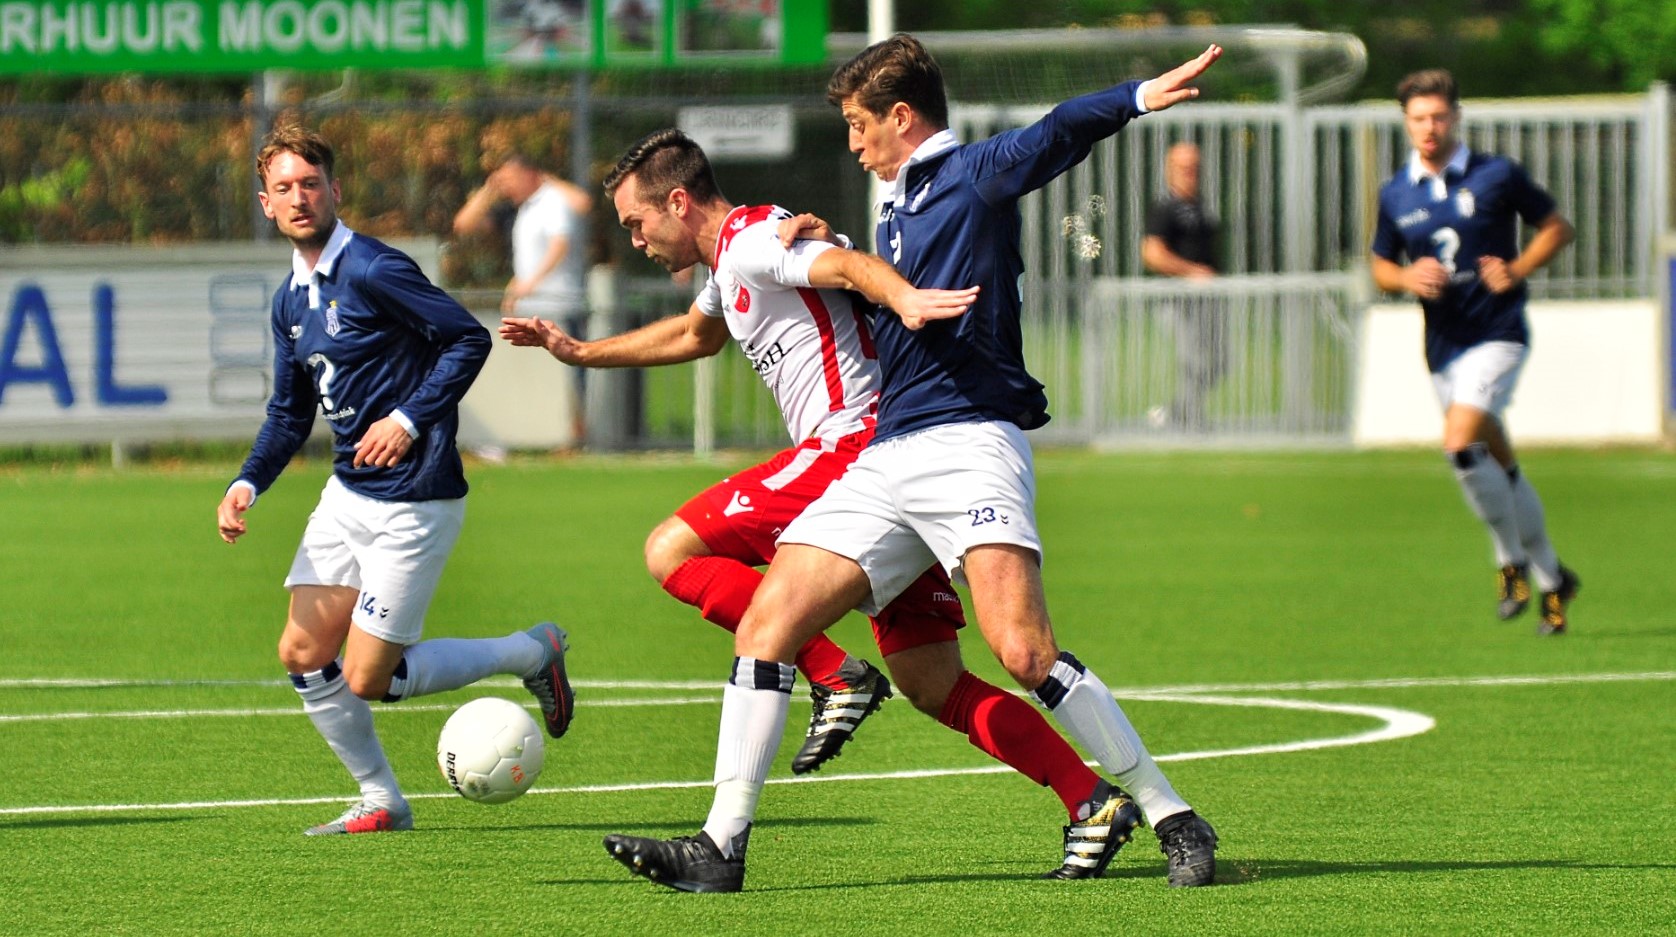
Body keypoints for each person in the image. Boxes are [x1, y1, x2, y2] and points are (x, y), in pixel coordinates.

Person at [602, 35, 1223, 892]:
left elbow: (1055, 132)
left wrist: (1139, 96)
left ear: (903, 117)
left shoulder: (973, 173)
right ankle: (720, 846)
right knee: (769, 625)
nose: (852, 143)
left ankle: (1170, 811)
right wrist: (845, 246)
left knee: (1024, 653)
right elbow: (865, 280)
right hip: (889, 454)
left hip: (971, 441)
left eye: (860, 125)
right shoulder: (891, 205)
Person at [508, 130, 1140, 878]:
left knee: (671, 549)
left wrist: (895, 290)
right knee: (930, 679)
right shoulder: (729, 262)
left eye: (637, 222)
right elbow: (694, 333)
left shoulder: (752, 239)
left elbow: (841, 262)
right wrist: (581, 353)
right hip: (890, 463)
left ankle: (832, 676)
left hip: (852, 450)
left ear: (678, 201)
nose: (635, 240)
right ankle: (1090, 798)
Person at [216, 126, 575, 836]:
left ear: (335, 190)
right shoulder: (291, 300)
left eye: (310, 183)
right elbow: (290, 412)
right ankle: (381, 797)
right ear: (265, 204)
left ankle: (532, 651)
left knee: (367, 677)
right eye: (283, 188)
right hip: (348, 494)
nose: (299, 197)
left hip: (417, 499)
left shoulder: (376, 269)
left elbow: (467, 337)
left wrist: (408, 418)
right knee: (301, 651)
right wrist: (247, 483)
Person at [1370, 69, 1580, 635]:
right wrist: (1408, 278)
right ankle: (1554, 579)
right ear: (1407, 123)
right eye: (1419, 118)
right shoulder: (1397, 191)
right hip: (1443, 345)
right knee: (1500, 465)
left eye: (1439, 116)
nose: (1430, 127)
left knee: (1460, 444)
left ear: (1456, 117)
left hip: (1498, 333)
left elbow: (1557, 226)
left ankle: (1508, 561)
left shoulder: (1496, 174)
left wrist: (1517, 269)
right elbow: (1380, 265)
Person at [1142, 140, 1224, 431]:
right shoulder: (1165, 207)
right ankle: (1187, 420)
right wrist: (1192, 272)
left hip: (1207, 300)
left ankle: (1175, 413)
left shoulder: (1203, 205)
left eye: (1195, 168)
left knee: (1218, 361)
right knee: (1194, 361)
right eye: (1184, 168)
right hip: (1178, 300)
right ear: (1170, 170)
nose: (1191, 174)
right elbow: (1152, 253)